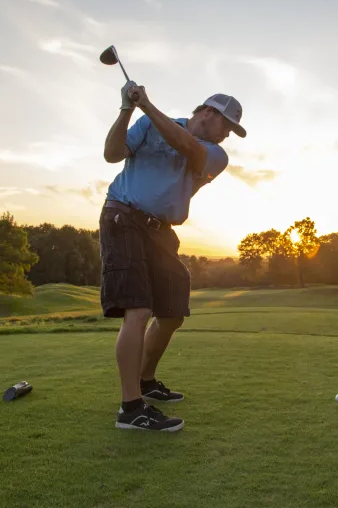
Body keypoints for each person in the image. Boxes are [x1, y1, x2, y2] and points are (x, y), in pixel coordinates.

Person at [100, 79, 246, 432]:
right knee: (138, 309)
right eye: (227, 126)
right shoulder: (148, 122)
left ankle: (146, 380)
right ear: (208, 112)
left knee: (173, 309)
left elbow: (187, 149)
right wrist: (127, 109)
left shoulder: (216, 154)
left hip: (162, 232)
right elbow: (112, 154)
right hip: (123, 216)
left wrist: (147, 105)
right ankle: (131, 408)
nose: (226, 135)